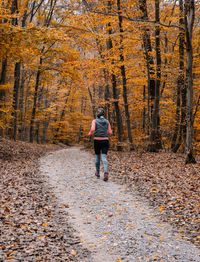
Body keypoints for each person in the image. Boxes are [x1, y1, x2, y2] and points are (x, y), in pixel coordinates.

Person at [88, 107, 112, 181]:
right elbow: (110, 132)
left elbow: (92, 129)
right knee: (104, 157)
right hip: (105, 140)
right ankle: (105, 172)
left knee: (98, 157)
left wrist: (90, 133)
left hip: (97, 140)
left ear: (97, 114)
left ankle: (98, 173)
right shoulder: (107, 121)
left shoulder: (94, 121)